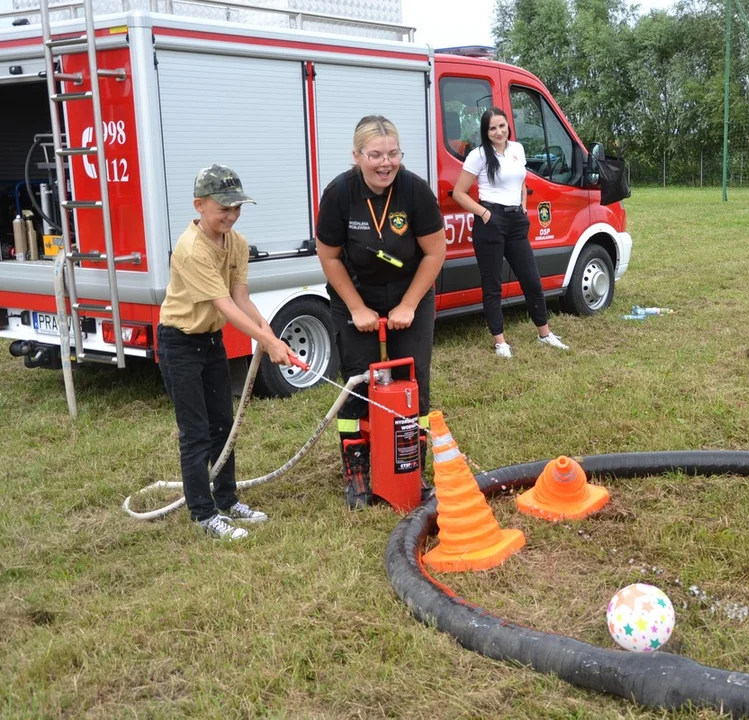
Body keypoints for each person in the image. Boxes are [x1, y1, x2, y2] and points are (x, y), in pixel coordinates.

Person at [157, 164, 294, 541]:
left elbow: (241, 298)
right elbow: (225, 307)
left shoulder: (237, 242)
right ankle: (203, 514)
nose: (231, 216)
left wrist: (273, 335)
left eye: (236, 208)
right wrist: (267, 343)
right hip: (179, 343)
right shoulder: (190, 249)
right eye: (223, 209)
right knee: (196, 432)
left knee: (224, 425)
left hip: (211, 343)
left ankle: (228, 499)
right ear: (199, 205)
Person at [316, 115, 447, 510]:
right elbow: (329, 255)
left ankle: (411, 467)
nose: (385, 163)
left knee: (413, 382)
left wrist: (408, 304)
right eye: (375, 155)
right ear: (357, 156)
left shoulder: (414, 190)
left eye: (392, 154)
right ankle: (357, 472)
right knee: (357, 383)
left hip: (410, 291)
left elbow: (435, 252)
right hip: (354, 294)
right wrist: (357, 308)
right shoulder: (339, 193)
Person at [452, 107, 570, 359]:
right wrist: (485, 215)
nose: (498, 132)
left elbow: (522, 181)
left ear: (508, 127)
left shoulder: (517, 149)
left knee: (531, 280)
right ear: (486, 131)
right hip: (490, 221)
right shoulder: (479, 155)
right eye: (492, 128)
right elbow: (459, 193)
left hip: (516, 220)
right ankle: (500, 342)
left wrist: (523, 209)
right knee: (492, 284)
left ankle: (545, 334)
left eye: (502, 126)